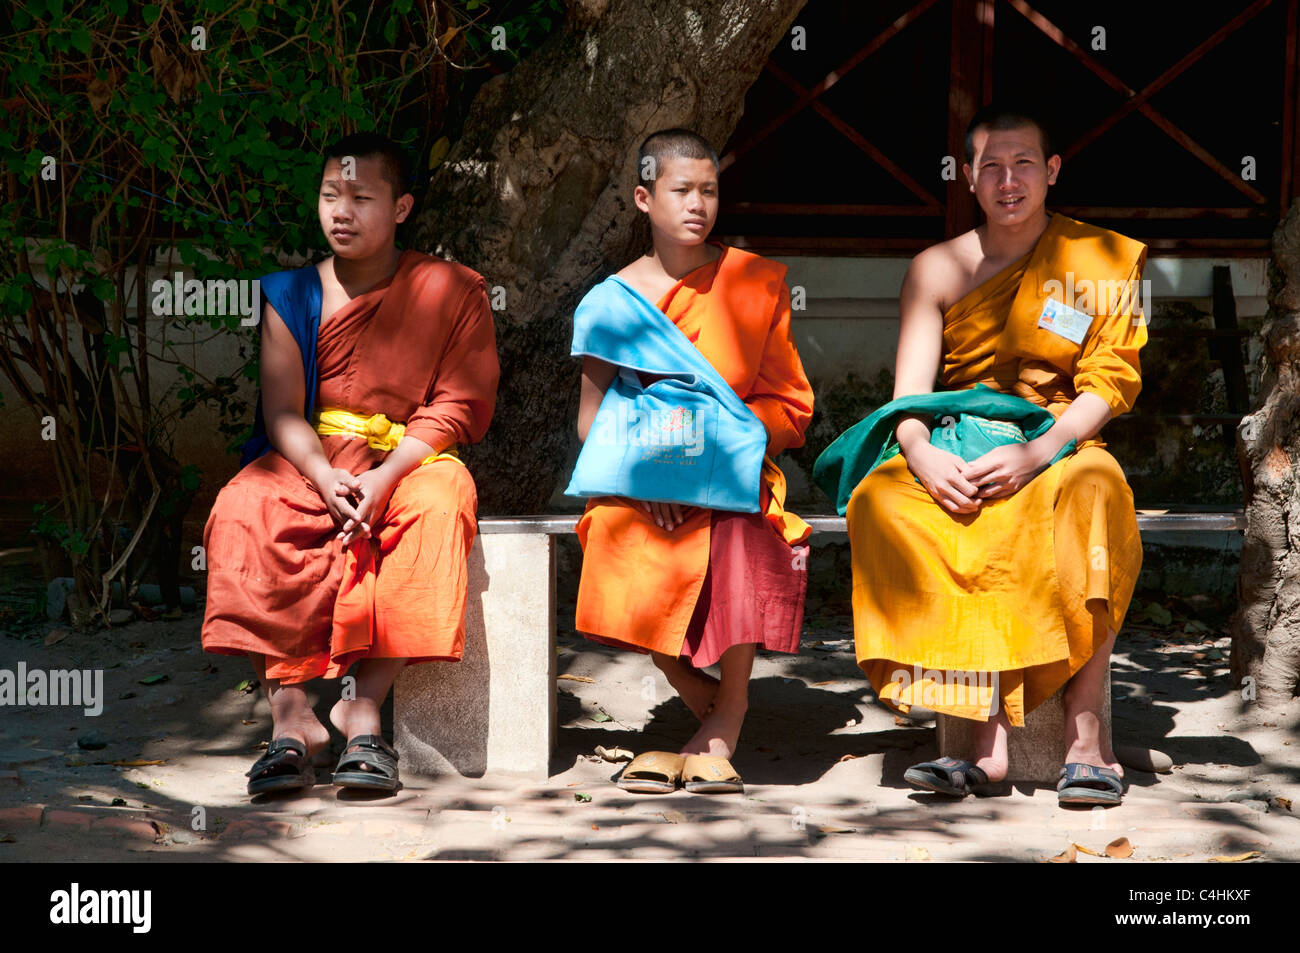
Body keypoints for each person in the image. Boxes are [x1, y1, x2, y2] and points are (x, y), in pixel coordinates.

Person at [834, 104, 1146, 805]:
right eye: (992, 167)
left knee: (1098, 488)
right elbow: (907, 400)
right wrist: (919, 456)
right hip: (956, 440)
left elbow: (1110, 381)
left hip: (1058, 442)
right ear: (967, 177)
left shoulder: (1096, 259)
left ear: (1053, 170)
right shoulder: (936, 268)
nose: (1010, 180)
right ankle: (980, 741)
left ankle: (1087, 736)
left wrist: (1039, 451)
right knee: (882, 500)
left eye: (1025, 163)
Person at [200, 132, 500, 796]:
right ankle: (291, 717)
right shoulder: (291, 294)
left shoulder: (450, 290)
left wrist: (385, 475)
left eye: (362, 197)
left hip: (408, 458)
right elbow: (280, 411)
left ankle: (361, 708)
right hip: (312, 459)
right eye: (331, 195)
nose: (342, 211)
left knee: (443, 500)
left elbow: (459, 404)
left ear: (401, 207)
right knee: (245, 506)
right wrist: (324, 474)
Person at [571, 129, 814, 795]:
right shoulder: (611, 301)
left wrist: (712, 457)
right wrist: (648, 477)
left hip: (733, 472)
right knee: (618, 538)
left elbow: (788, 403)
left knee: (736, 530)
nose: (697, 204)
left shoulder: (754, 283)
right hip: (636, 478)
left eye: (708, 190)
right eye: (681, 190)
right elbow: (591, 418)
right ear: (645, 198)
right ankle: (692, 686)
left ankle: (728, 708)